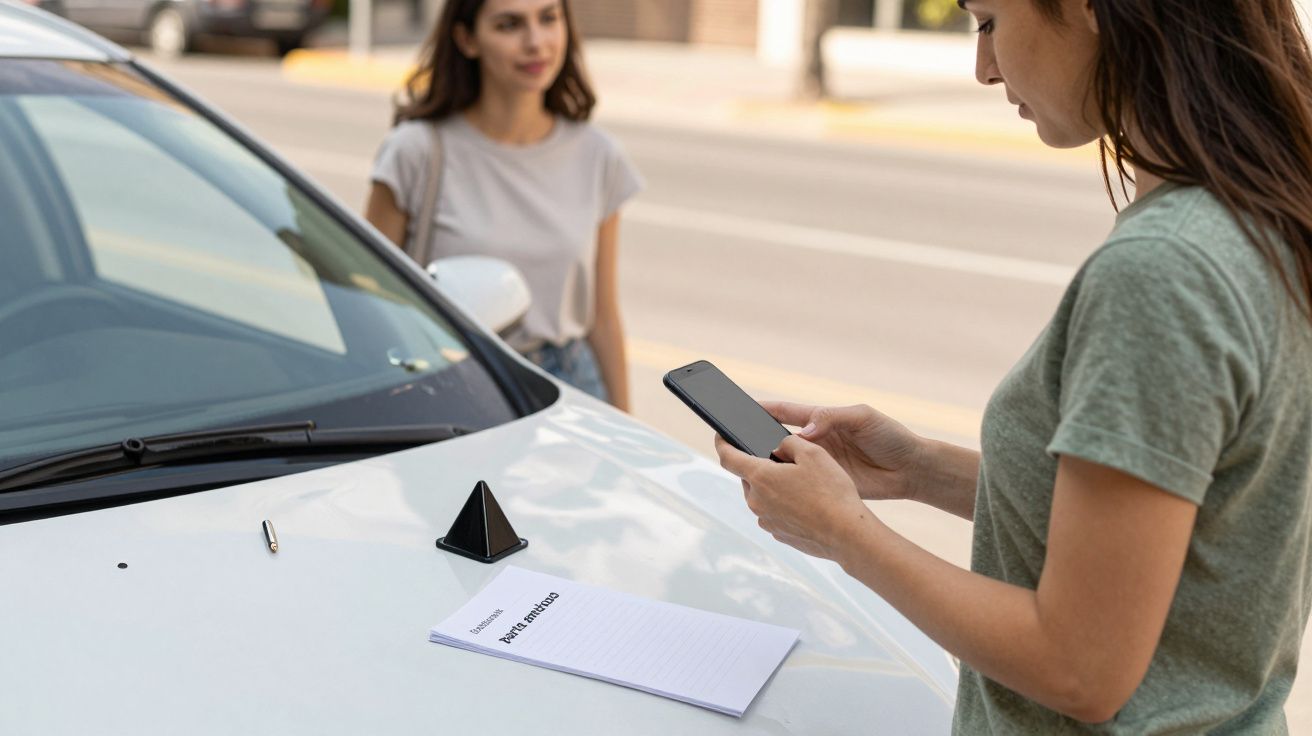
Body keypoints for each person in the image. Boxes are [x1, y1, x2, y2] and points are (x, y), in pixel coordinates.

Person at [714, 0, 1312, 731]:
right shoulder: (1261, 212)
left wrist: (844, 532)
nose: (982, 69)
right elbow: (1186, 534)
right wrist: (919, 470)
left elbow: (1080, 667)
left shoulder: (1166, 270)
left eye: (989, 20)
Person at [365, 0, 642, 409]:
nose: (536, 42)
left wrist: (626, 428)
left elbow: (602, 317)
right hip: (454, 383)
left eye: (548, 18)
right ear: (467, 39)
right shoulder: (416, 152)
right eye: (509, 25)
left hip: (572, 390)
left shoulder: (598, 155)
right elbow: (370, 303)